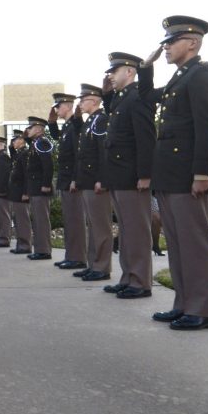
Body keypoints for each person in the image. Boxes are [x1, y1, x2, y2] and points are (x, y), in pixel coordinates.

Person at [138, 16, 208, 330]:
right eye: (165, 42)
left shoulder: (202, 74)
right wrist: (146, 68)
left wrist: (202, 173)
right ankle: (183, 304)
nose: (166, 47)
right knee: (176, 244)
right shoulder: (179, 78)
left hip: (187, 175)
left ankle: (202, 310)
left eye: (172, 41)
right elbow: (147, 97)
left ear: (193, 43)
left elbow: (207, 126)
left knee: (194, 245)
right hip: (170, 175)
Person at [100, 52, 156, 299]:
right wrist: (106, 94)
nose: (110, 76)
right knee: (126, 230)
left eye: (115, 71)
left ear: (130, 72)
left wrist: (145, 175)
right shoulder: (122, 99)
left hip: (133, 177)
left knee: (137, 231)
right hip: (120, 176)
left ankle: (140, 282)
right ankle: (128, 277)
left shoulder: (138, 97)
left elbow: (146, 138)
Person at [72, 85, 114, 282]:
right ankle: (93, 264)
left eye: (83, 100)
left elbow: (103, 152)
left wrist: (102, 179)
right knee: (93, 226)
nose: (80, 103)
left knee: (101, 227)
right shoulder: (91, 121)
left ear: (95, 100)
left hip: (96, 181)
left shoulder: (101, 120)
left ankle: (102, 267)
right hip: (87, 180)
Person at [48, 93, 86, 269]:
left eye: (58, 106)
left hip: (72, 180)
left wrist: (75, 179)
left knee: (75, 221)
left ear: (69, 106)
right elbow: (57, 137)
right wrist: (51, 122)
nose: (56, 110)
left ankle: (78, 258)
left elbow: (78, 155)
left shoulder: (76, 126)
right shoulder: (67, 126)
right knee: (69, 221)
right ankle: (71, 255)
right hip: (65, 179)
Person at [24, 116, 54, 260]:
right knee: (37, 220)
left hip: (41, 188)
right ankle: (40, 249)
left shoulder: (42, 143)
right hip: (35, 188)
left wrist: (46, 184)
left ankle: (44, 251)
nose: (27, 130)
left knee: (41, 220)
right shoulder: (35, 143)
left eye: (30, 128)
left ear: (38, 129)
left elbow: (48, 165)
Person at [8, 130, 33, 254]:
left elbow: (27, 174)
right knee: (18, 219)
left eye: (15, 140)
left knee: (22, 220)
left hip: (21, 192)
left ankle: (25, 245)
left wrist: (26, 192)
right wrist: (11, 146)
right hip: (16, 192)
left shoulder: (25, 154)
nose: (13, 142)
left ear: (22, 140)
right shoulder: (18, 154)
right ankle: (20, 244)